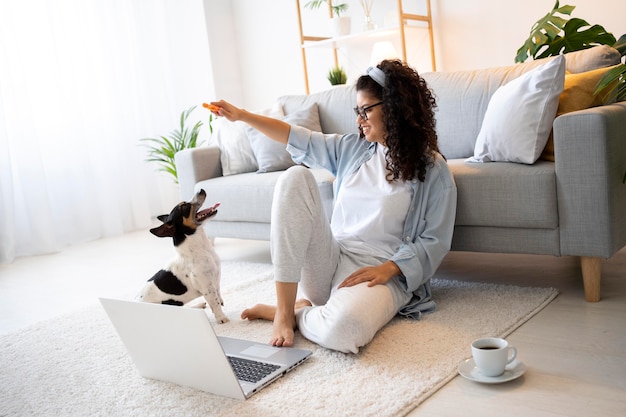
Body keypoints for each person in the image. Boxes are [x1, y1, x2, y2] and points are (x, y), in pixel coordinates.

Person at [210, 59, 457, 354]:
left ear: (394, 108)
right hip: (330, 260)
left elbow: (435, 240)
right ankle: (285, 310)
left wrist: (392, 267)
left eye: (366, 110)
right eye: (357, 111)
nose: (359, 119)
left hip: (380, 271)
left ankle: (301, 313)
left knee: (345, 331)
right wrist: (242, 116)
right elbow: (293, 136)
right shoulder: (351, 149)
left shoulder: (431, 169)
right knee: (295, 177)